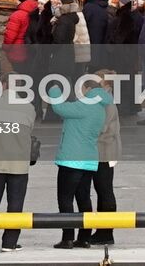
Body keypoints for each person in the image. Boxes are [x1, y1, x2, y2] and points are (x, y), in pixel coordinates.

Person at [0, 75, 37, 252]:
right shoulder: (29, 108)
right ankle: (9, 242)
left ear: (2, 85)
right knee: (15, 204)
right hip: (19, 165)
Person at [48, 80, 107, 249]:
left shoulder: (86, 105)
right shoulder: (100, 108)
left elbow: (59, 108)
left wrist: (54, 89)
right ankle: (84, 237)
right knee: (84, 199)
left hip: (72, 159)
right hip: (89, 159)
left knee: (65, 199)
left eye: (82, 89)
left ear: (88, 89)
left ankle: (67, 238)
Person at [86, 71, 121, 245]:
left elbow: (101, 127)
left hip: (104, 152)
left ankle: (106, 232)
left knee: (104, 190)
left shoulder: (106, 103)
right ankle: (103, 230)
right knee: (103, 190)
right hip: (103, 151)